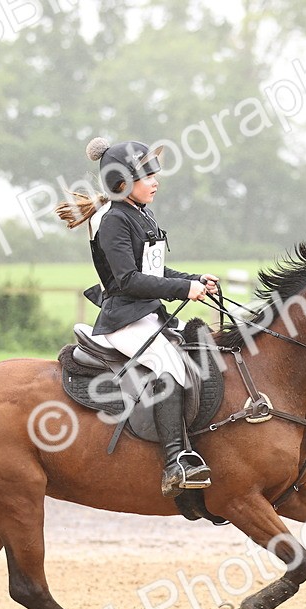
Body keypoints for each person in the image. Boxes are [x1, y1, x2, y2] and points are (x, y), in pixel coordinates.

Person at [55, 137, 220, 498]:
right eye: (148, 176)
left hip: (148, 315)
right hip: (124, 320)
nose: (156, 181)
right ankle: (175, 462)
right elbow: (128, 279)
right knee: (170, 368)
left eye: (155, 174)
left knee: (192, 357)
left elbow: (155, 269)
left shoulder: (141, 214)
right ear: (123, 183)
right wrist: (181, 291)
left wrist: (193, 280)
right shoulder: (114, 220)